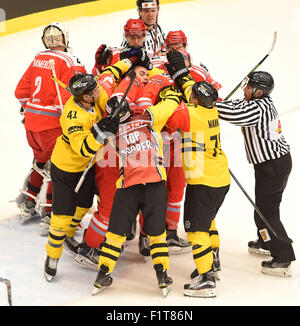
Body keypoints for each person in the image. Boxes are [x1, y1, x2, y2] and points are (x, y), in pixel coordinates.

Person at [43, 53, 144, 281]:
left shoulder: (92, 95)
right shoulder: (73, 117)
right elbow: (83, 148)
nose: (99, 92)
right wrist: (99, 132)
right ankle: (52, 257)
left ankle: (69, 234)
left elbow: (110, 73)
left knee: (84, 203)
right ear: (84, 97)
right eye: (94, 91)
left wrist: (130, 60)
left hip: (87, 168)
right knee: (60, 217)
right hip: (68, 169)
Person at [91, 77, 183, 296]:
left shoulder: (110, 133)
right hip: (155, 186)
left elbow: (101, 102)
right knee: (157, 234)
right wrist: (172, 90)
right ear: (130, 110)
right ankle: (162, 275)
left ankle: (102, 273)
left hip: (128, 188)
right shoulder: (148, 118)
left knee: (115, 233)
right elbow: (170, 104)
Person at [164, 50, 231, 297]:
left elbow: (168, 116)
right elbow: (192, 86)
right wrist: (182, 72)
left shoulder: (189, 115)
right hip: (220, 178)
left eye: (192, 96)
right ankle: (213, 263)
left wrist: (169, 91)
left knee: (195, 230)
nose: (190, 95)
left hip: (203, 182)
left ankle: (206, 279)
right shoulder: (211, 108)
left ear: (195, 101)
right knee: (209, 221)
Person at [215, 71, 295, 277]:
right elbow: (235, 106)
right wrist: (215, 99)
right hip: (270, 164)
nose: (244, 89)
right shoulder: (257, 102)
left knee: (266, 211)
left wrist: (210, 103)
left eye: (248, 87)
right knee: (263, 208)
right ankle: (266, 241)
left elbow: (233, 114)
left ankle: (283, 257)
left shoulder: (257, 109)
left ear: (259, 91)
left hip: (273, 165)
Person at [14, 22, 86, 233]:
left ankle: (28, 201)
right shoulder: (71, 62)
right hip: (52, 127)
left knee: (40, 160)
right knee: (60, 168)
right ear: (65, 39)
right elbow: (66, 101)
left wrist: (31, 112)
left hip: (32, 126)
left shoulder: (38, 58)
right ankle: (50, 212)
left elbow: (21, 92)